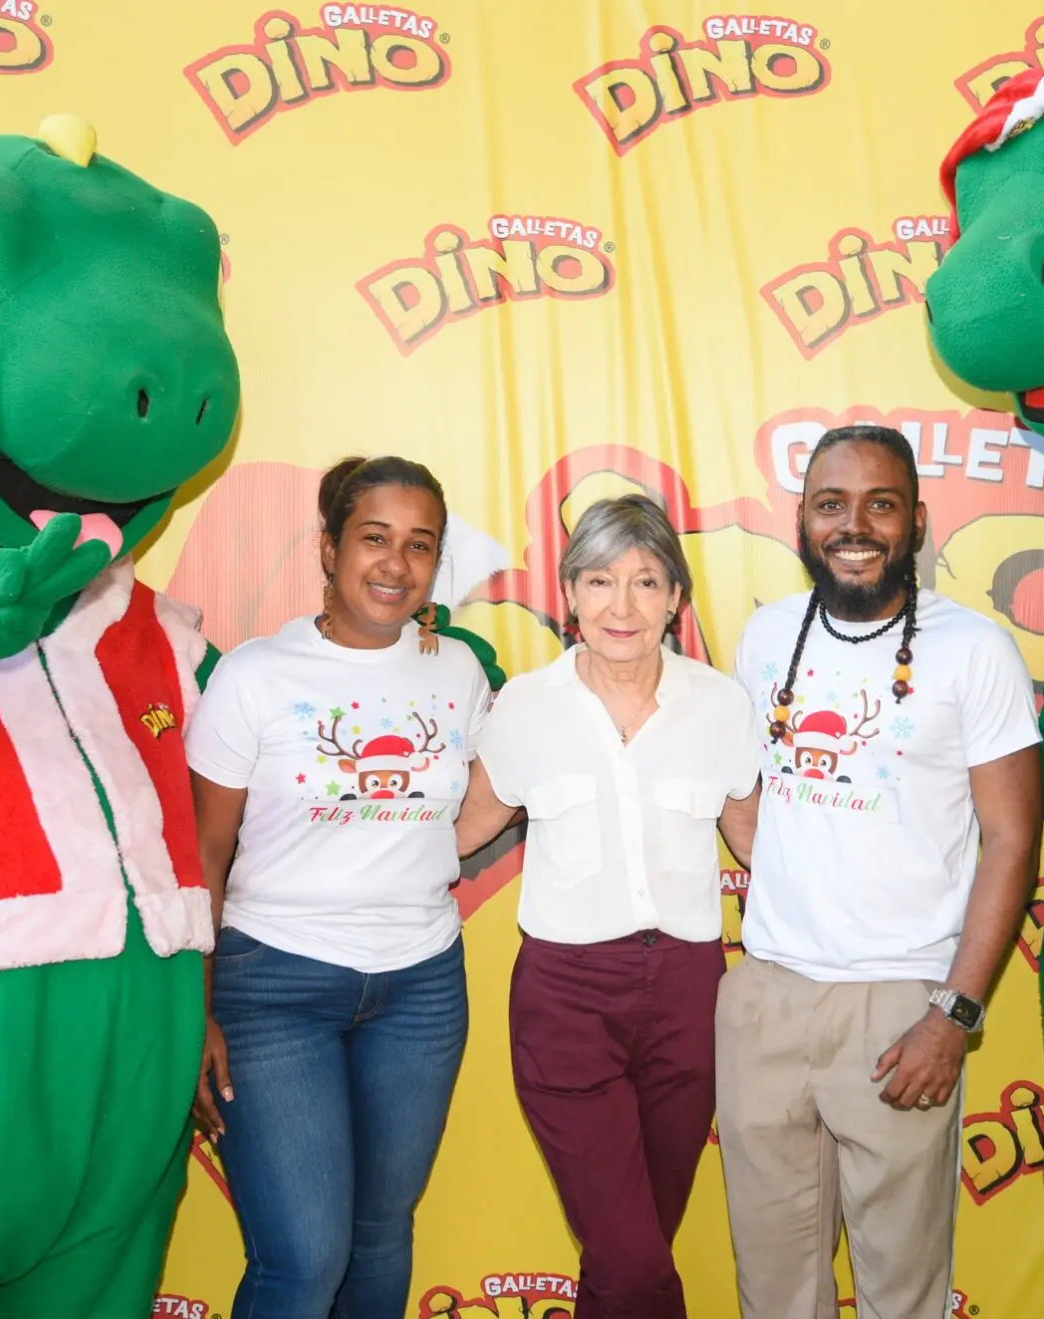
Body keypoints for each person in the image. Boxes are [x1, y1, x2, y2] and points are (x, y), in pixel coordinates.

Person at [714, 424, 1044, 1318]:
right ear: (803, 523)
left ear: (918, 522)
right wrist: (791, 872)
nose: (854, 525)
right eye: (832, 504)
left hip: (904, 1006)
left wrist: (954, 1012)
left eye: (879, 504)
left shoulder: (974, 651)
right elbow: (741, 791)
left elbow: (1012, 839)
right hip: (769, 995)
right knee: (774, 1290)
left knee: (901, 1289)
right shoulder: (766, 635)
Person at [183, 455, 490, 1319]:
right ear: (329, 547)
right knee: (303, 1258)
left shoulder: (455, 671)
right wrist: (194, 1006)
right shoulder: (253, 676)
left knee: (382, 1234)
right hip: (274, 987)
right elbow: (206, 852)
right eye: (375, 539)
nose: (395, 565)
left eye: (419, 546)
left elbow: (495, 790)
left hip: (421, 987)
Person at [456, 494, 763, 1319]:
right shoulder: (523, 705)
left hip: (690, 997)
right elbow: (458, 833)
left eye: (645, 582)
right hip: (565, 1001)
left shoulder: (722, 705)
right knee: (635, 1264)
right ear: (569, 592)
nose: (621, 606)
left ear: (676, 598)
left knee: (633, 1248)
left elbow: (757, 845)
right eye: (599, 581)